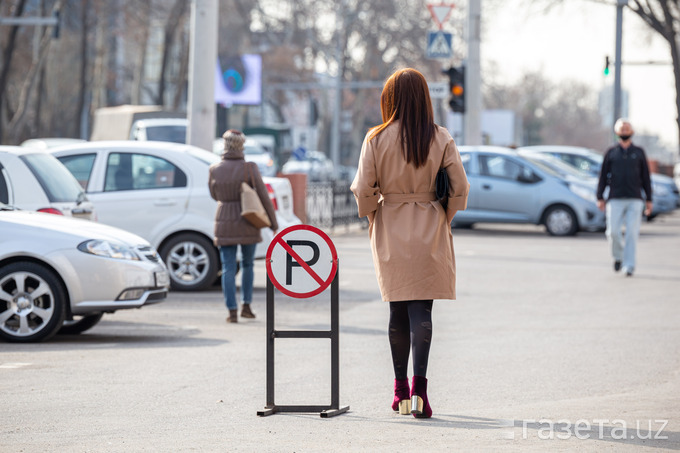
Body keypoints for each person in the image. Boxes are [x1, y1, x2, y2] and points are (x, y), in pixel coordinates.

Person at [350, 68, 469, 418]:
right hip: (430, 225)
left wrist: (374, 215)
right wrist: (442, 216)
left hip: (391, 225)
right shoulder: (440, 136)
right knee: (423, 311)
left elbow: (362, 189)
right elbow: (460, 187)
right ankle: (420, 393)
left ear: (390, 98)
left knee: (396, 310)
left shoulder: (376, 138)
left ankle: (399, 393)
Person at [209, 130, 278, 323]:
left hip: (224, 220)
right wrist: (273, 223)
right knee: (248, 264)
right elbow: (263, 195)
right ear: (242, 145)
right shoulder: (250, 168)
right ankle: (246, 306)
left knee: (228, 267)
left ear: (224, 145)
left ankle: (231, 311)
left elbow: (214, 194)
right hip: (248, 220)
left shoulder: (215, 169)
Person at [596, 118, 653, 277]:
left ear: (632, 132)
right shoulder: (611, 152)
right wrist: (600, 196)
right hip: (615, 198)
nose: (624, 132)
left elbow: (646, 177)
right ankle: (618, 256)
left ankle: (629, 265)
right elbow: (602, 176)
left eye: (627, 129)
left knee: (631, 233)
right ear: (617, 132)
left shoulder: (639, 152)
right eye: (622, 129)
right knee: (613, 232)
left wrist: (649, 199)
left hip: (635, 198)